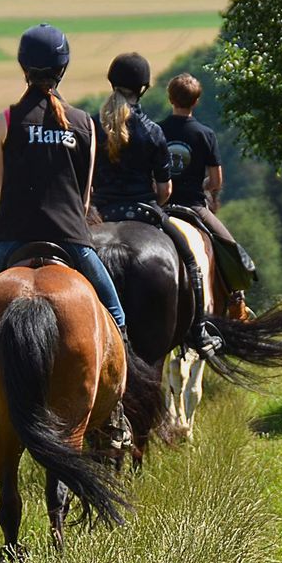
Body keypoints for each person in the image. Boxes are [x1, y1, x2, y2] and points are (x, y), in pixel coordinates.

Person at [0, 23, 129, 450]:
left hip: (12, 237)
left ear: (23, 66)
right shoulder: (84, 124)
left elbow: (2, 191)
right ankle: (115, 415)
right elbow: (84, 199)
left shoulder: (4, 121)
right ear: (63, 68)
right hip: (72, 239)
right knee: (116, 318)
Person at [92, 52, 223, 357]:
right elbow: (164, 190)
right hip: (145, 211)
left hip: (100, 213)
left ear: (112, 83)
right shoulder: (152, 131)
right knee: (190, 261)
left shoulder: (93, 127)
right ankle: (199, 330)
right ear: (144, 89)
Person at [159, 72, 255, 319]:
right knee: (230, 248)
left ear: (170, 99)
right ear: (196, 101)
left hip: (160, 206)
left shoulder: (157, 131)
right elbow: (216, 181)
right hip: (194, 206)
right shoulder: (205, 134)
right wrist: (202, 186)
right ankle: (236, 301)